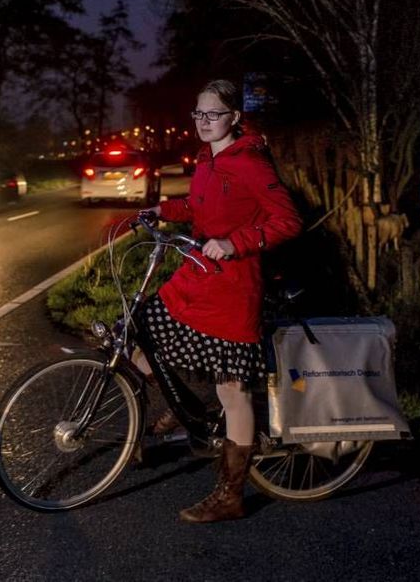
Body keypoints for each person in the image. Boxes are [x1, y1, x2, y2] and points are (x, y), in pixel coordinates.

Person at [138, 79, 302, 522]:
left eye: (213, 114)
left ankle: (231, 496)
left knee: (232, 390)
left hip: (233, 287)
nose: (203, 122)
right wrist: (163, 211)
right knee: (146, 333)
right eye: (198, 113)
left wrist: (235, 243)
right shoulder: (208, 158)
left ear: (234, 118)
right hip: (199, 276)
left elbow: (287, 220)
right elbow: (199, 205)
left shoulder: (250, 161)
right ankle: (187, 412)